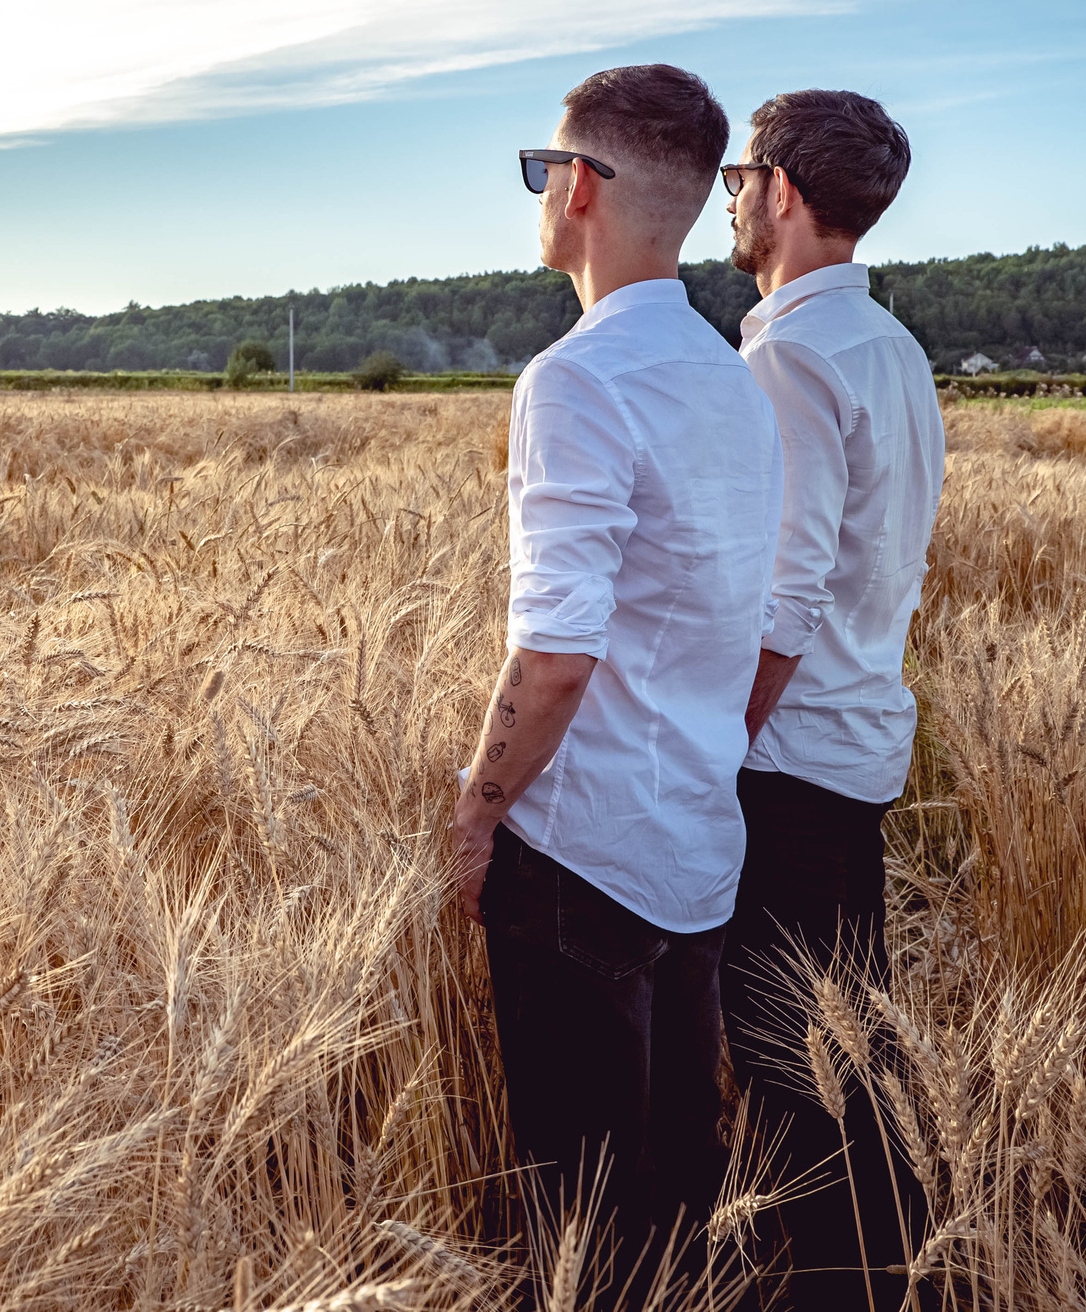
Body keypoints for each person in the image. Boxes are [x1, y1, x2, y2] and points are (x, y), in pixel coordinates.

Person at [449, 64, 784, 1280]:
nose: (541, 190)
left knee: (581, 1233)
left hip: (580, 857)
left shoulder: (576, 378)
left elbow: (555, 654)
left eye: (544, 167)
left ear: (581, 185)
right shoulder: (731, 379)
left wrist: (477, 813)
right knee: (674, 1207)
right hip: (695, 849)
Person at [719, 89, 945, 1311]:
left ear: (784, 190)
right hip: (859, 744)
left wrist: (714, 747)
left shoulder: (789, 354)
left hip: (788, 760)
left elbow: (782, 596)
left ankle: (836, 1287)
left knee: (795, 1068)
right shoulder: (890, 345)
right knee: (855, 1048)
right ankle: (893, 1273)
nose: (732, 202)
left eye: (738, 180)